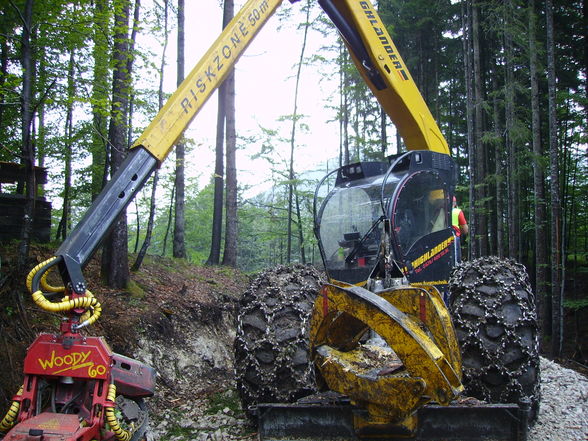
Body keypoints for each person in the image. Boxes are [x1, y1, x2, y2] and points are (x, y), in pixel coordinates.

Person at [452, 196, 468, 262]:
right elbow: (465, 230)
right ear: (454, 203)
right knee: (456, 261)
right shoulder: (457, 212)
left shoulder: (437, 211)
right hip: (454, 238)